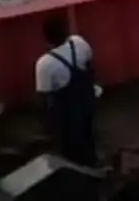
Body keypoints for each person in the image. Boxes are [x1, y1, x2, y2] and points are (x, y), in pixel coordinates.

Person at [35, 15, 97, 167]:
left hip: (67, 112)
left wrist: (46, 124)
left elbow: (44, 97)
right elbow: (90, 66)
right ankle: (92, 159)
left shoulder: (44, 64)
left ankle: (76, 168)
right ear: (66, 30)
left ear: (46, 37)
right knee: (87, 132)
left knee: (69, 144)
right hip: (87, 100)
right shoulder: (79, 42)